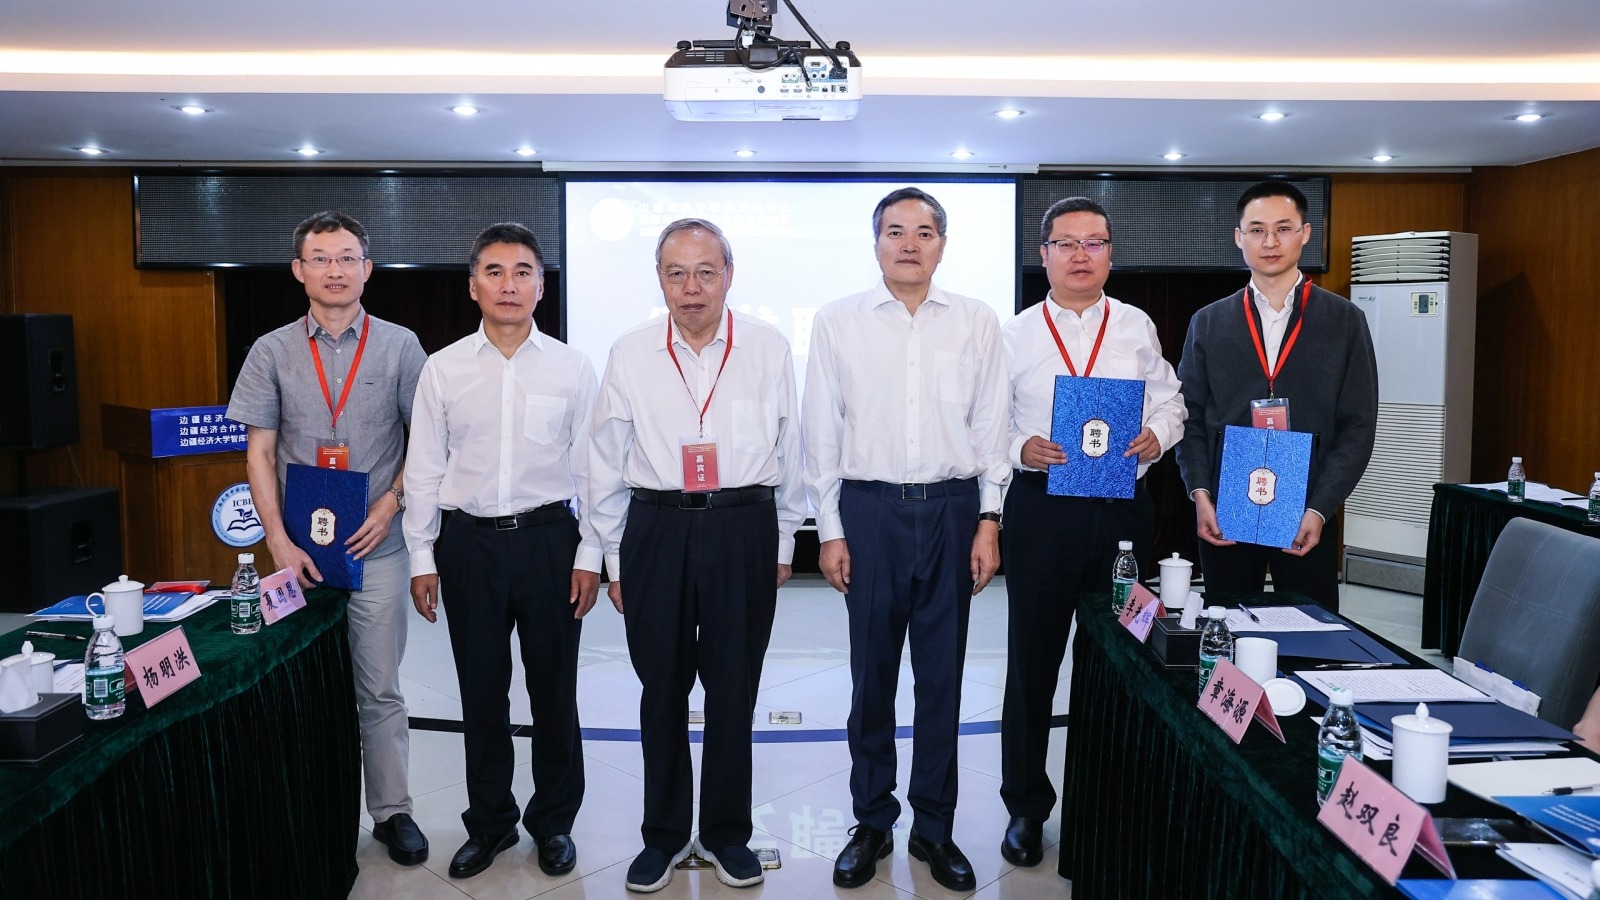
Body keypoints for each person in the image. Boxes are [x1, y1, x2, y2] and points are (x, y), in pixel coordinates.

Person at [589, 218, 805, 893]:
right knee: (661, 688)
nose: (691, 288)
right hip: (656, 528)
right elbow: (603, 462)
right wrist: (616, 559)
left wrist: (783, 541)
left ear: (729, 275)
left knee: (734, 687)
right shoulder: (630, 352)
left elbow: (791, 449)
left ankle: (726, 833)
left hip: (744, 525)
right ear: (659, 279)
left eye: (706, 272)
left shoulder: (768, 347)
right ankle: (662, 835)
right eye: (676, 273)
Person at [803, 187, 1008, 892]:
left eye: (924, 232)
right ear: (876, 243)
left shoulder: (977, 321)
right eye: (895, 231)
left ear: (942, 244)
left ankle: (935, 826)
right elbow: (821, 431)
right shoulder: (838, 322)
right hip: (870, 512)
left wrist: (989, 520)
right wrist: (830, 528)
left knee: (943, 678)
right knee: (873, 678)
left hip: (953, 511)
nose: (910, 244)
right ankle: (872, 820)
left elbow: (991, 428)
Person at [226, 210, 429, 866]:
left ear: (367, 268)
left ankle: (392, 812)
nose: (334, 270)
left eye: (347, 258)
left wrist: (393, 503)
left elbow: (428, 443)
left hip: (378, 548)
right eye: (321, 258)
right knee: (301, 687)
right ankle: (310, 810)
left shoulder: (400, 346)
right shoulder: (270, 350)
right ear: (298, 270)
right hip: (298, 555)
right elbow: (259, 453)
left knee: (380, 687)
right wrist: (278, 543)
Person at [402, 223, 599, 879]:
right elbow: (424, 469)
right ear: (472, 286)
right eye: (494, 271)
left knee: (554, 691)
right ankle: (489, 823)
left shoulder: (572, 367)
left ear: (541, 286)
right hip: (469, 545)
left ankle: (553, 823)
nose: (508, 284)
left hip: (550, 543)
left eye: (522, 272)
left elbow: (592, 470)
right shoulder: (443, 368)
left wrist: (591, 554)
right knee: (481, 692)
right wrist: (423, 558)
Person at [996, 196, 1185, 866]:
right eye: (1066, 243)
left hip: (1120, 512)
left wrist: (1156, 434)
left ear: (1110, 253)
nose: (1081, 255)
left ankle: (1106, 799)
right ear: (1043, 254)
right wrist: (1020, 447)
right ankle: (1026, 807)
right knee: (1032, 661)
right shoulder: (1014, 334)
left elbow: (1172, 400)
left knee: (1119, 658)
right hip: (1042, 512)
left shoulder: (1135, 326)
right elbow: (986, 422)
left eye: (1095, 242)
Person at [1176, 181, 1378, 611]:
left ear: (1305, 234)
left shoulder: (1344, 320)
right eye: (1257, 230)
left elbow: (1358, 426)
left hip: (1307, 507)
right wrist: (1200, 493)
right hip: (1227, 507)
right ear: (1239, 237)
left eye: (1283, 229)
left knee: (1311, 632)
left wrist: (1321, 508)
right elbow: (1188, 416)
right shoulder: (1208, 322)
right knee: (1227, 629)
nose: (1270, 242)